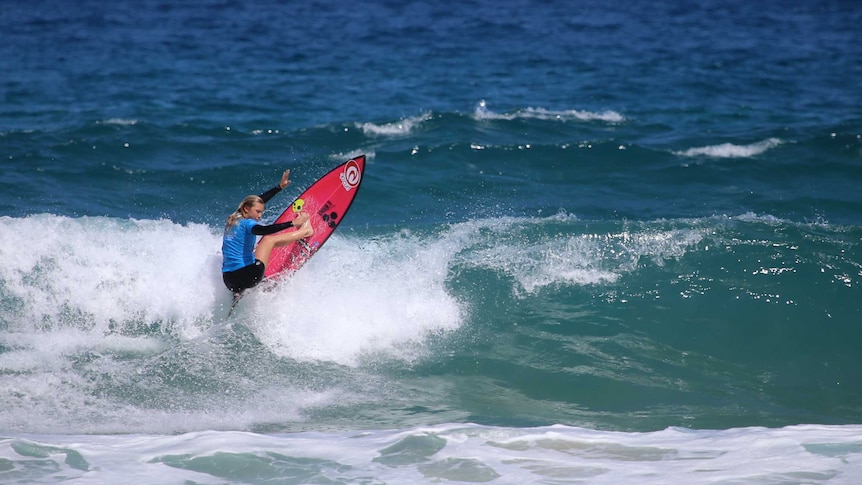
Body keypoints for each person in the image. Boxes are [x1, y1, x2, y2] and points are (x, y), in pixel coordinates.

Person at [221, 169, 313, 295]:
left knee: (247, 250)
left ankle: (239, 292)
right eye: (258, 212)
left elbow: (259, 201)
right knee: (269, 240)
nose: (260, 215)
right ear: (247, 209)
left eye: (261, 212)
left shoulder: (234, 218)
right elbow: (265, 230)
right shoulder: (248, 223)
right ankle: (306, 231)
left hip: (229, 281)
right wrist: (293, 223)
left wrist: (279, 187)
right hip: (249, 277)